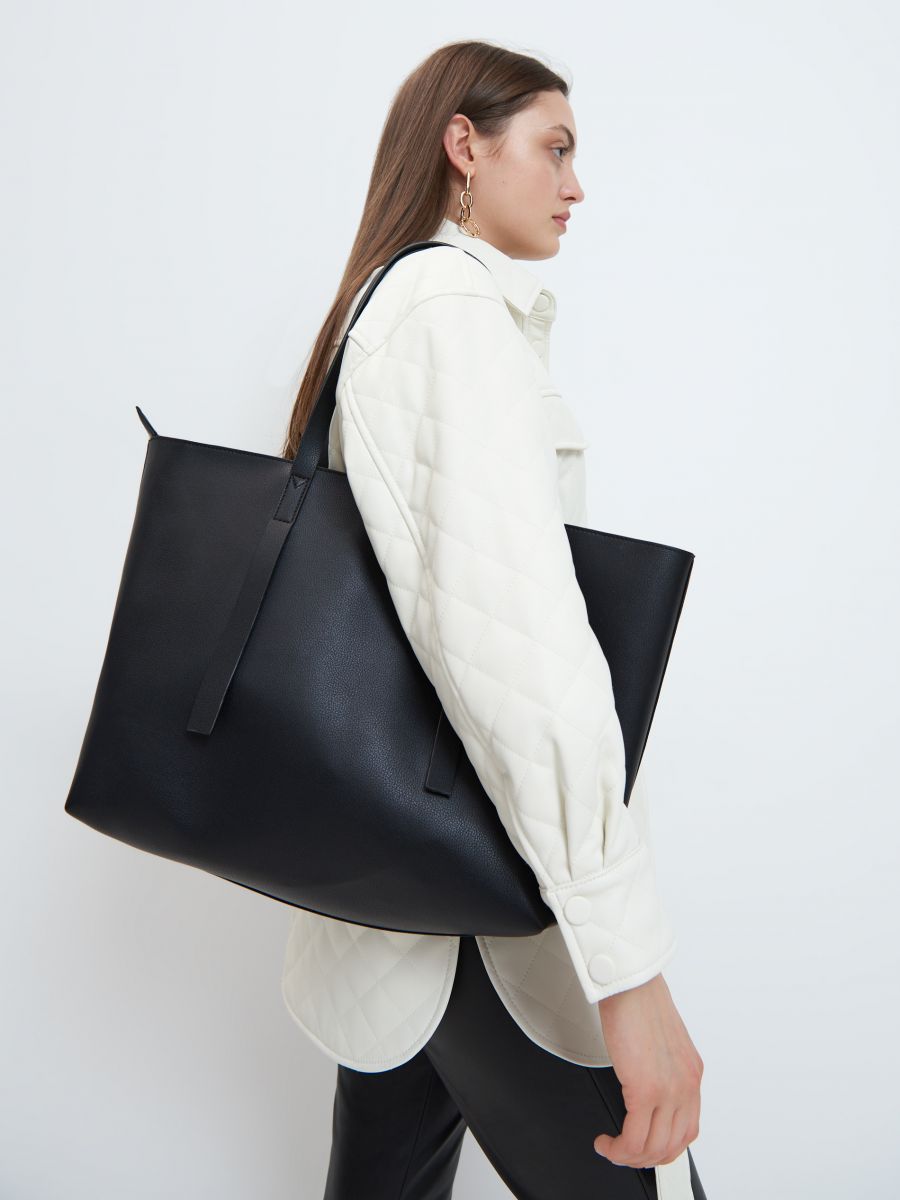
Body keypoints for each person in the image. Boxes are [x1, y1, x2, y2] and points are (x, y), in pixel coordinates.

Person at [278, 40, 707, 1200]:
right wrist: (627, 971)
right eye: (555, 149)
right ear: (464, 146)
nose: (577, 185)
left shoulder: (392, 304)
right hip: (485, 910)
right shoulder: (449, 316)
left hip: (390, 899)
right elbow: (518, 655)